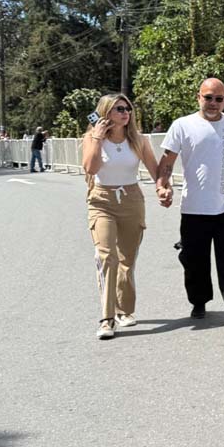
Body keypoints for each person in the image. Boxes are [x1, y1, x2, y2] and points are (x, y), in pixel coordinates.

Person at [155, 78, 224, 323]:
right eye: (208, 97)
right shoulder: (183, 125)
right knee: (194, 259)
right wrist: (162, 185)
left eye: (218, 98)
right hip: (195, 207)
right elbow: (167, 161)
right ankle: (199, 301)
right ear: (198, 97)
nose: (213, 103)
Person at [82, 94, 161, 339]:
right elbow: (91, 168)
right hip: (102, 201)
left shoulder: (138, 140)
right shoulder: (92, 138)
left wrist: (162, 187)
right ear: (106, 113)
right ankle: (107, 318)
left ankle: (124, 310)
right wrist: (96, 136)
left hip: (131, 199)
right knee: (106, 257)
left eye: (127, 108)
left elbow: (155, 169)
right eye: (118, 109)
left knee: (127, 259)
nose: (125, 112)